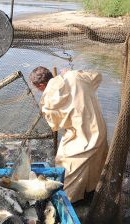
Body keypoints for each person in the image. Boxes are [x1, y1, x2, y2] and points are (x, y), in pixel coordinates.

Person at [30, 66, 108, 203]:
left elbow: (54, 126)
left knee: (64, 167)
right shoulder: (75, 76)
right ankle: (90, 192)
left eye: (38, 88)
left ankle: (69, 201)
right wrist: (73, 73)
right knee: (96, 164)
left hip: (80, 137)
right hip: (99, 130)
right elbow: (97, 76)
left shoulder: (46, 99)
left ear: (41, 85)